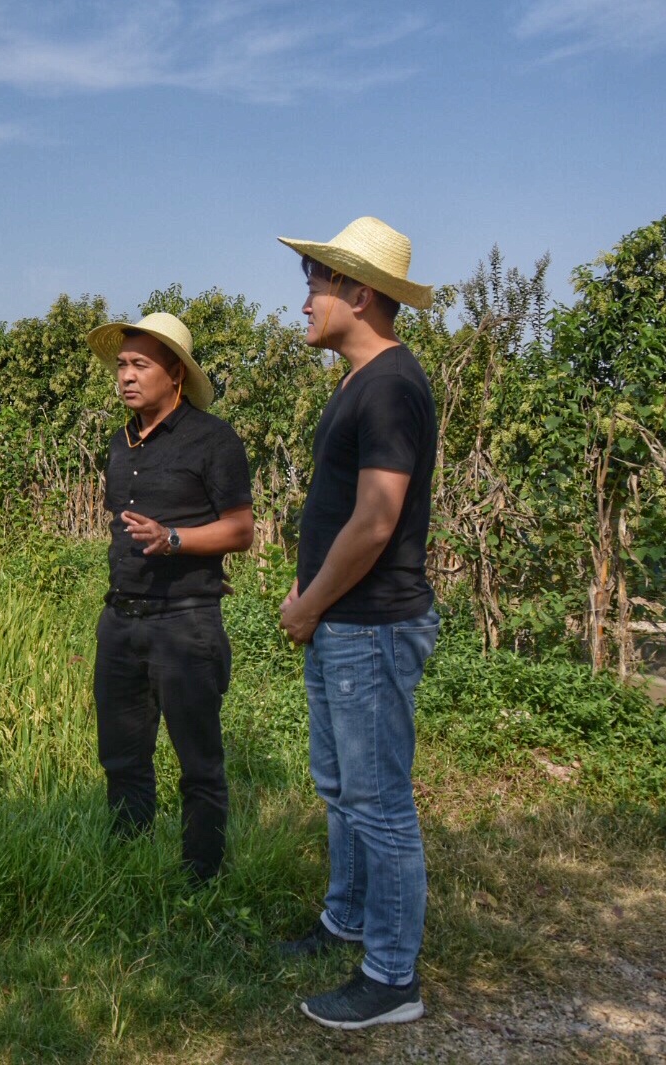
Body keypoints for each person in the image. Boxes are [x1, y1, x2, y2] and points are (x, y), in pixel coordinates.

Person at [274, 217, 441, 1029]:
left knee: (377, 801)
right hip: (342, 623)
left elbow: (375, 522)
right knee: (342, 789)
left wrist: (307, 603)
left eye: (314, 285)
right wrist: (308, 593)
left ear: (357, 294)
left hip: (368, 625)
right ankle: (345, 918)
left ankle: (391, 977)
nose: (303, 301)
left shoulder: (390, 386)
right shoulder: (357, 382)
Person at [84, 312, 253, 885]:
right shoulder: (119, 442)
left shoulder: (213, 439)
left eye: (140, 365)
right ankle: (128, 867)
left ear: (175, 374)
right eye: (121, 365)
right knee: (122, 759)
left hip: (185, 626)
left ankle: (200, 880)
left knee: (199, 766)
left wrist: (174, 539)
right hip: (121, 620)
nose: (126, 376)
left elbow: (240, 530)